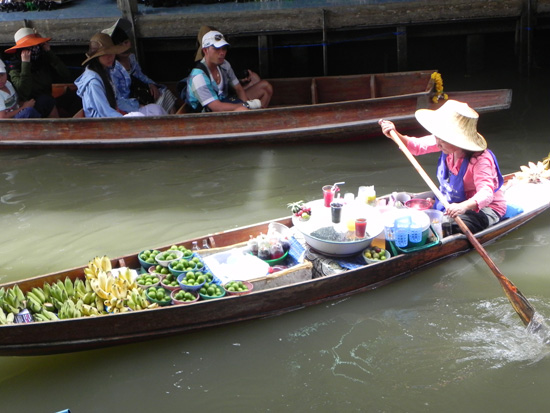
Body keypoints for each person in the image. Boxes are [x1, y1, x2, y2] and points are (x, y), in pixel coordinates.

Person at [379, 99, 506, 234]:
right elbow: (415, 146)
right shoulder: (443, 143)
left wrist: (463, 206)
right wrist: (394, 134)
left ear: (458, 140)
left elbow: (486, 194)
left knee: (446, 225)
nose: (438, 142)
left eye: (443, 139)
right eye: (437, 137)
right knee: (404, 206)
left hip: (483, 209)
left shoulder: (481, 159)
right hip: (451, 200)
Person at [74, 33, 165, 118]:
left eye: (112, 52)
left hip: (117, 113)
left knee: (155, 109)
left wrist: (136, 105)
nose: (110, 57)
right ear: (96, 57)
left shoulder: (106, 71)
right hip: (103, 122)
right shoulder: (93, 82)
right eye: (105, 54)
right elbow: (104, 111)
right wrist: (122, 118)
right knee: (138, 116)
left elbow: (117, 100)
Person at [102, 19, 177, 114]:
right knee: (154, 110)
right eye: (120, 45)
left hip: (142, 95)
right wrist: (137, 105)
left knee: (166, 93)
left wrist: (151, 85)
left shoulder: (132, 59)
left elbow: (141, 76)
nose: (125, 47)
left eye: (126, 42)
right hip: (130, 104)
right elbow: (119, 98)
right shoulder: (114, 70)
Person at [4, 27, 80, 118]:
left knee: (76, 95)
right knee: (46, 100)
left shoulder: (42, 59)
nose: (34, 49)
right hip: (30, 105)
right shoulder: (15, 67)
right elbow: (24, 91)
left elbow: (66, 74)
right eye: (30, 47)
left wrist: (49, 53)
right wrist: (25, 64)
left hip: (48, 101)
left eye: (36, 45)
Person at [193, 25, 273, 109]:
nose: (222, 53)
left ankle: (259, 116)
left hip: (227, 98)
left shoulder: (224, 64)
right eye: (216, 49)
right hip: (211, 111)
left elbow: (238, 89)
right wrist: (245, 106)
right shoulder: (199, 76)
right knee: (242, 109)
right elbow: (216, 107)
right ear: (205, 50)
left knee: (265, 86)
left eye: (223, 48)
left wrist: (247, 105)